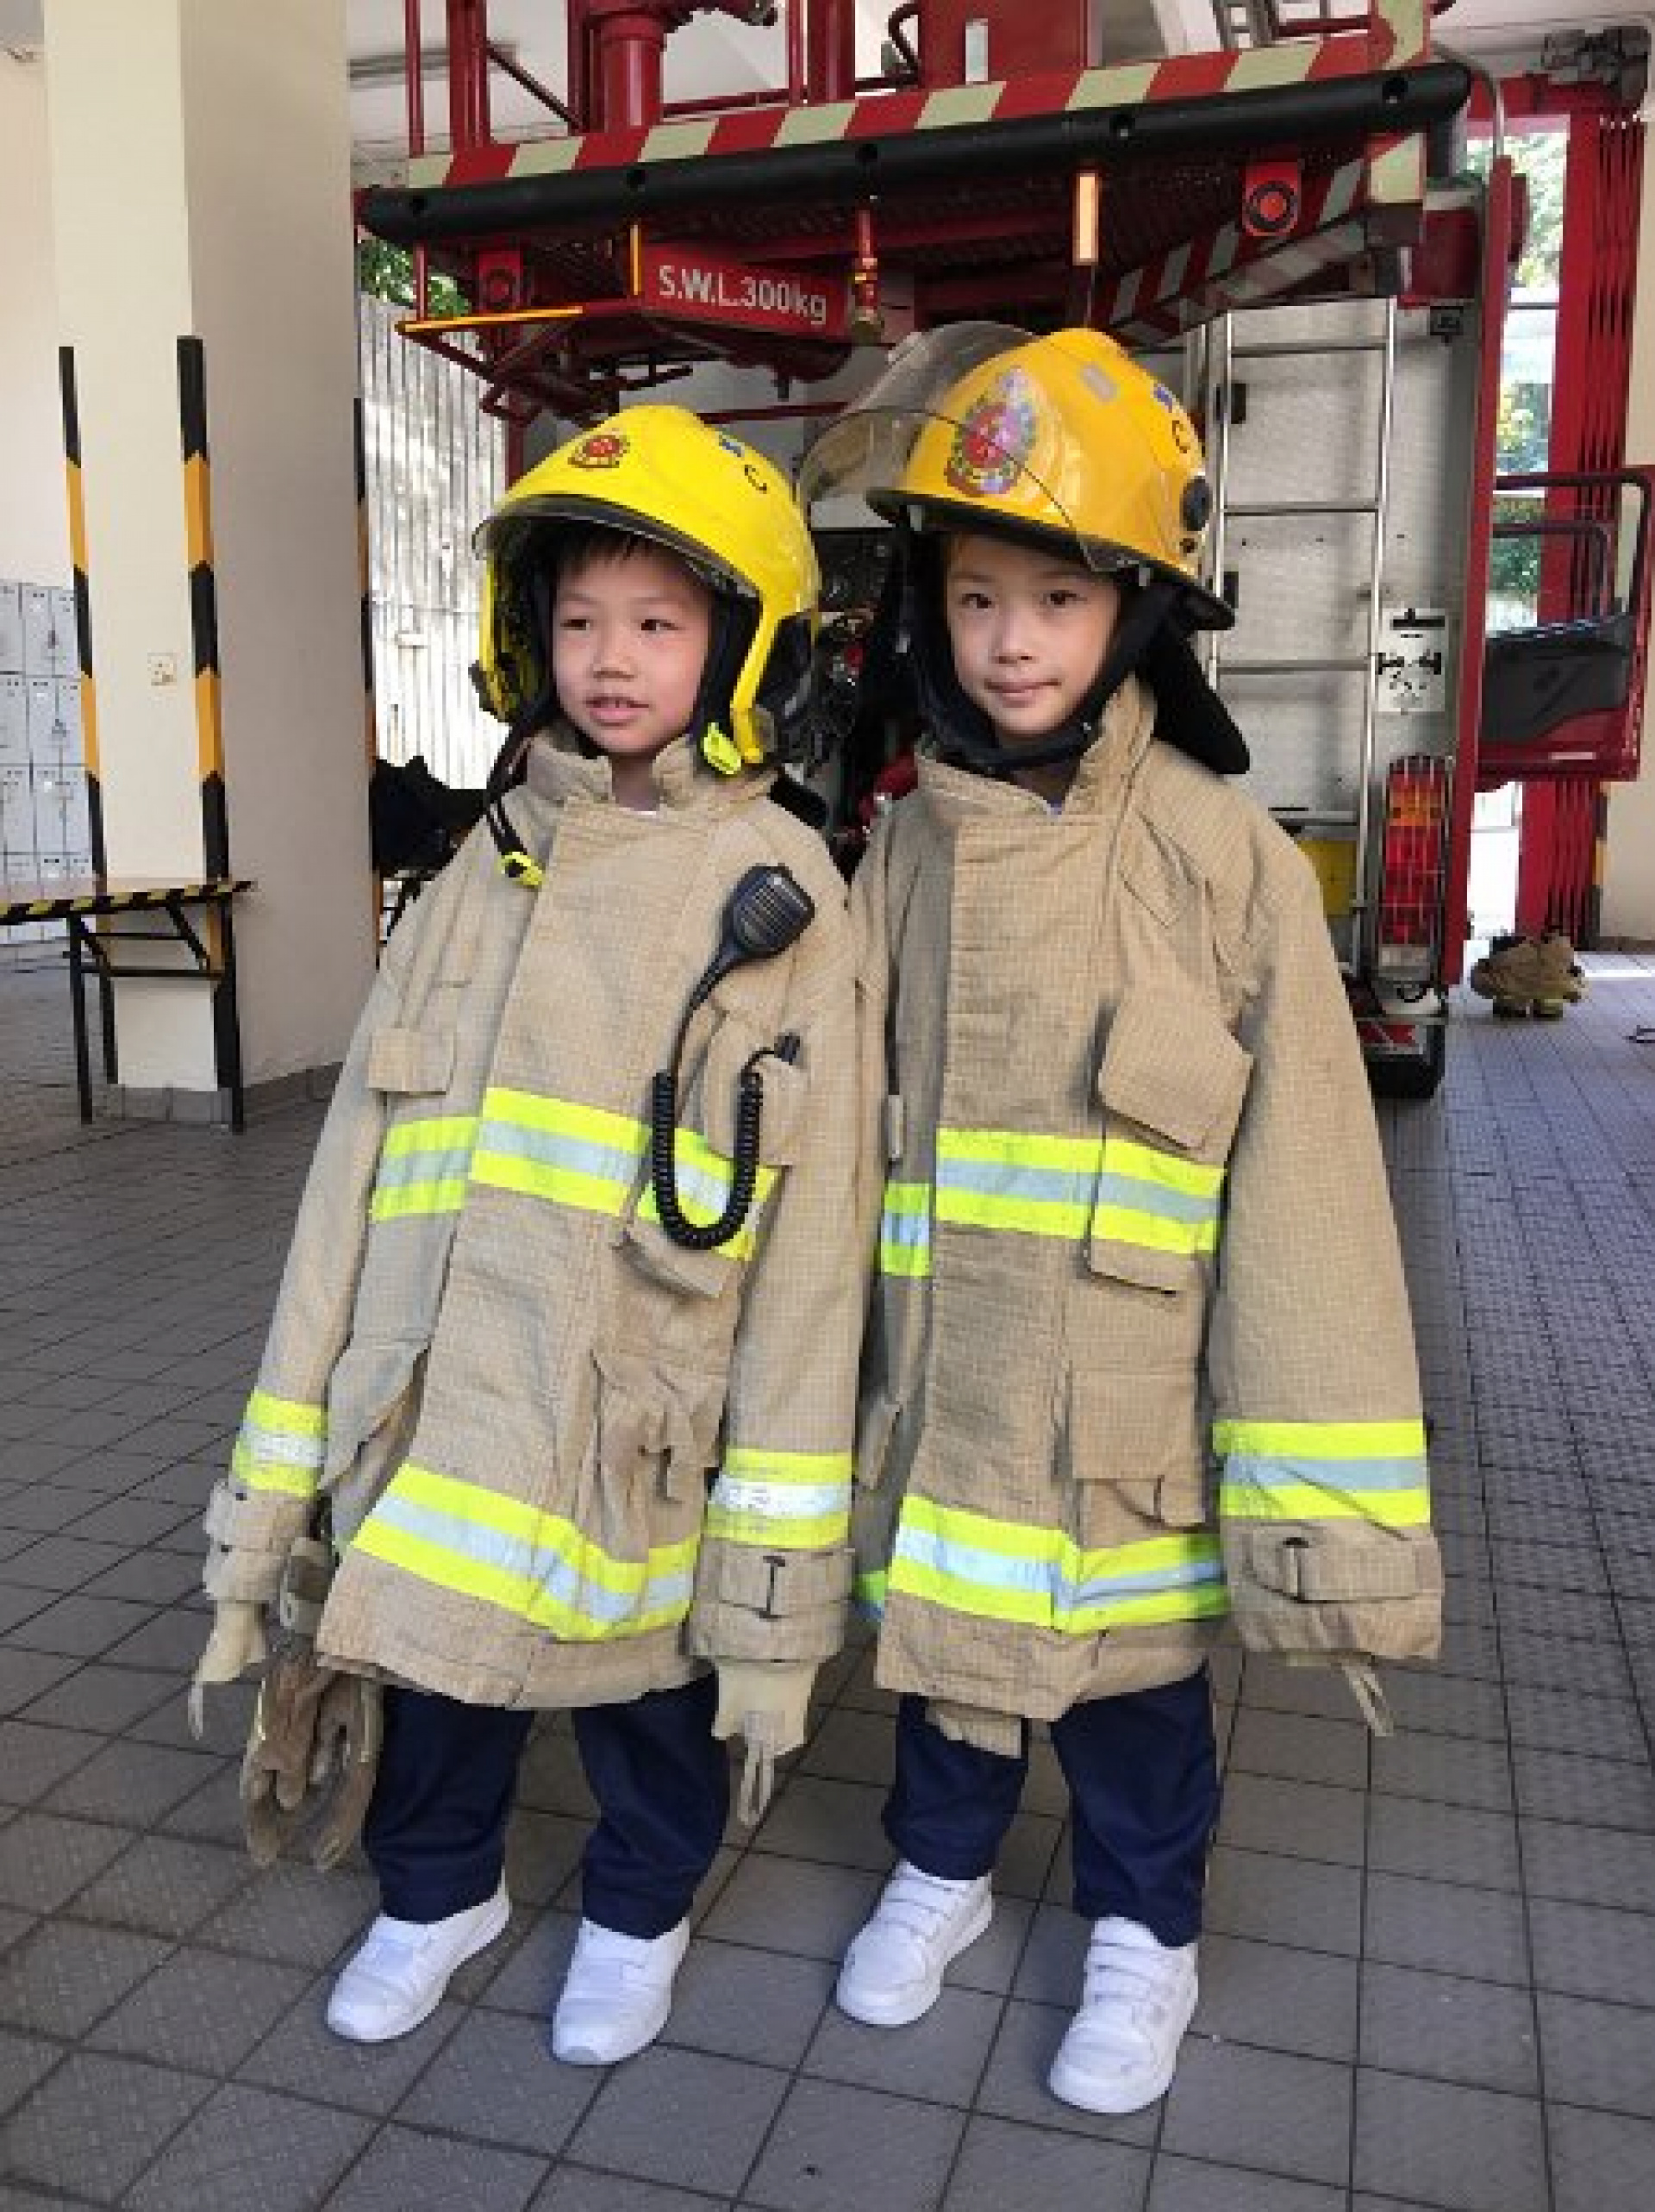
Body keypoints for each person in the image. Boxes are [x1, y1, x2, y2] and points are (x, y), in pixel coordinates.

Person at [804, 327, 1442, 2115]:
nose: (1011, 639)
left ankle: (1145, 1931)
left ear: (1139, 610)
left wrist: (1322, 1518)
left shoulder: (1219, 856)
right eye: (977, 594)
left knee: (1138, 1703)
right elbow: (843, 1138)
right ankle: (940, 1869)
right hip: (951, 1393)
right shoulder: (906, 847)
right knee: (944, 1666)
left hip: (1131, 1423)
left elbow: (1309, 1202)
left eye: (1060, 598)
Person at [192, 406, 865, 2065]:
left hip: (639, 1407)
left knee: (647, 1687)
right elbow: (351, 1170)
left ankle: (639, 1911)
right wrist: (277, 1485)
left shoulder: (786, 884)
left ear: (743, 643)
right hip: (441, 1382)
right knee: (432, 1663)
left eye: (658, 623)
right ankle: (439, 1893)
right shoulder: (475, 873)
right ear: (528, 634)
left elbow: (818, 1245)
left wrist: (778, 1592)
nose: (611, 659)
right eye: (578, 619)